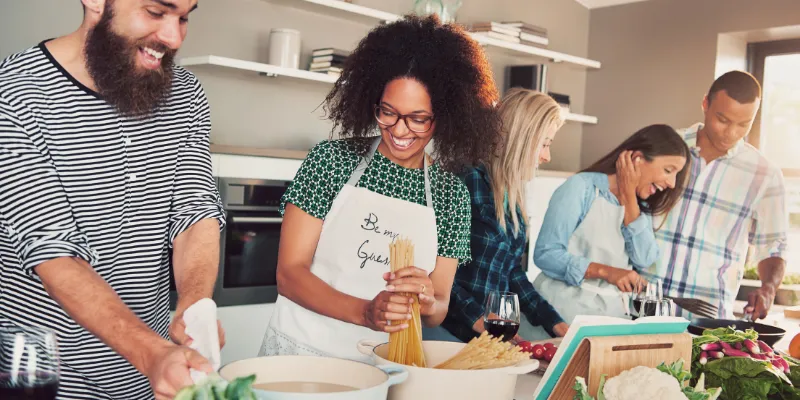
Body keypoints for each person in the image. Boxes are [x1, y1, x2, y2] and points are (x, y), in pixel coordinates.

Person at [0, 1, 226, 398]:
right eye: (157, 12)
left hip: (151, 379)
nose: (174, 37)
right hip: (45, 378)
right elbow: (52, 251)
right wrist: (152, 353)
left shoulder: (186, 94)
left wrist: (195, 307)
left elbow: (195, 212)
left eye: (185, 17)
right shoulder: (14, 93)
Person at [258, 14, 501, 363]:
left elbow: (440, 307)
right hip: (301, 352)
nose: (400, 130)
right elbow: (289, 273)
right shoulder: (331, 161)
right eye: (388, 112)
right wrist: (364, 312)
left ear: (445, 117)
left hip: (384, 365)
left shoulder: (451, 196)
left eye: (418, 118)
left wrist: (428, 300)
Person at [643, 71, 789, 320]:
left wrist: (768, 287)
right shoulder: (662, 148)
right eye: (722, 119)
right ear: (705, 104)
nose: (730, 133)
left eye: (744, 124)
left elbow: (773, 246)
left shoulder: (765, 175)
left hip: (706, 321)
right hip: (640, 307)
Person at [434, 89, 569, 344]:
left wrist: (555, 323)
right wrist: (480, 319)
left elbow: (513, 274)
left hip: (484, 339)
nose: (546, 156)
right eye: (545, 144)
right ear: (521, 138)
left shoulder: (511, 197)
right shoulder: (466, 180)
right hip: (448, 334)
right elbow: (436, 271)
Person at [533, 124, 690, 324]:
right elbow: (545, 253)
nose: (672, 183)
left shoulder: (639, 206)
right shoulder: (581, 187)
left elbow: (645, 258)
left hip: (609, 319)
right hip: (559, 316)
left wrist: (627, 197)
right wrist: (607, 272)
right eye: (669, 170)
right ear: (637, 159)